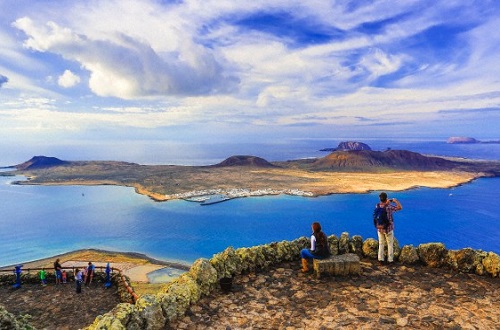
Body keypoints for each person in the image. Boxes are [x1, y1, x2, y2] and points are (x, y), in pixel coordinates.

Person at [374, 192, 402, 264]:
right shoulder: (389, 207)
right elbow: (400, 207)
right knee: (390, 244)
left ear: (380, 198)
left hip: (380, 228)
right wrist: (395, 201)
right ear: (386, 198)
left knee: (381, 244)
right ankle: (390, 260)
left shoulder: (377, 206)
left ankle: (380, 259)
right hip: (388, 228)